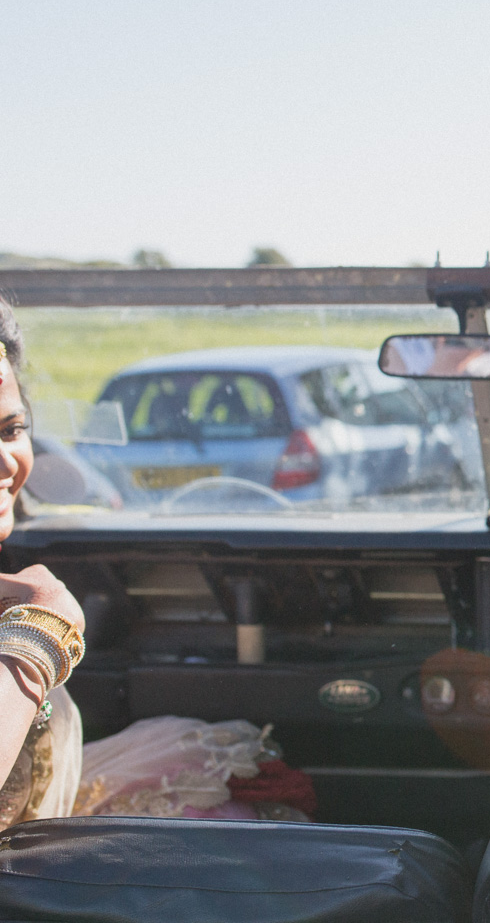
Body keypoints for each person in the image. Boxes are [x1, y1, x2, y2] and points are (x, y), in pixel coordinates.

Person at [0, 302, 315, 829]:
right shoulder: (33, 608)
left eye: (12, 430)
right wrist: (37, 637)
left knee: (213, 765)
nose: (8, 461)